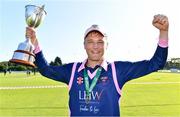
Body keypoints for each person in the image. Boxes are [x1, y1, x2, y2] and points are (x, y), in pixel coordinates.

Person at [26, 14, 169, 116]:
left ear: (107, 45)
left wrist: (163, 32)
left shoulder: (117, 70)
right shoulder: (72, 70)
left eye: (100, 42)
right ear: (84, 45)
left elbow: (156, 63)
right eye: (90, 41)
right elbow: (45, 70)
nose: (95, 46)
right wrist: (35, 42)